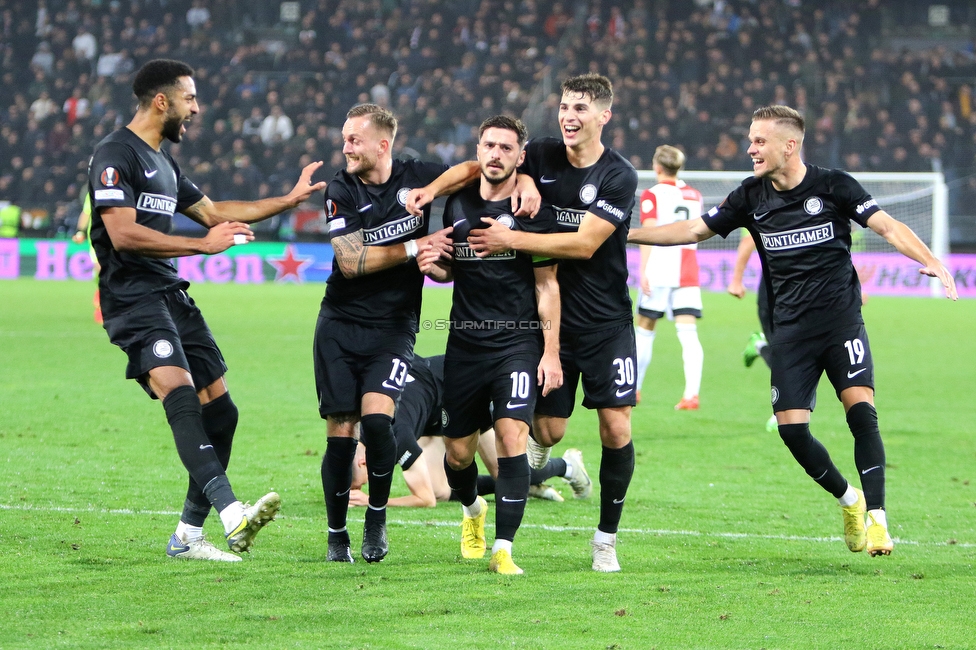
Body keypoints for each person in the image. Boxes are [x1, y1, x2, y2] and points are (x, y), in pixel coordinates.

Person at [627, 104, 958, 558]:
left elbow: (886, 225)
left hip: (842, 323)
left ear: (790, 144)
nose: (750, 149)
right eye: (750, 139)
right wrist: (624, 234)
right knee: (792, 432)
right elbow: (693, 229)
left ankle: (878, 518)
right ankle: (850, 500)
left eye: (759, 141)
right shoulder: (749, 196)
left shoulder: (834, 185)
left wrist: (931, 260)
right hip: (791, 333)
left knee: (861, 411)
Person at [87, 59, 326, 561]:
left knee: (222, 410)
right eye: (189, 99)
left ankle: (187, 538)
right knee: (178, 389)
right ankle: (229, 511)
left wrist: (288, 200)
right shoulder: (115, 154)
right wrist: (202, 246)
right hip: (132, 298)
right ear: (161, 101)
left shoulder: (164, 164)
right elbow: (122, 233)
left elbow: (216, 213)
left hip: (172, 294)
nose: (195, 109)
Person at [421, 74, 639, 573]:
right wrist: (435, 190)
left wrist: (512, 239)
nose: (569, 115)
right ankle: (547, 469)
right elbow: (482, 166)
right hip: (541, 323)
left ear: (603, 115)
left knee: (616, 426)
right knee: (549, 428)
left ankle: (604, 539)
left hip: (604, 321)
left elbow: (584, 245)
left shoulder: (618, 176)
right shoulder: (538, 154)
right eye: (564, 106)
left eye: (581, 108)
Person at [417, 115, 564, 575]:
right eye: (488, 146)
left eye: (505, 147)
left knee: (511, 437)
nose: (495, 154)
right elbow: (455, 269)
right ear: (477, 151)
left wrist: (551, 351)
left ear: (521, 157)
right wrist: (432, 266)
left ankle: (504, 548)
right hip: (464, 343)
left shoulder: (534, 211)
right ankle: (472, 511)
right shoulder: (456, 203)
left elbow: (547, 286)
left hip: (516, 342)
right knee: (458, 455)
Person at [316, 103, 455, 565]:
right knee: (341, 432)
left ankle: (376, 519)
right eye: (344, 139)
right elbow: (350, 262)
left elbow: (474, 169)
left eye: (354, 140)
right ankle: (337, 536)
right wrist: (416, 245)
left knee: (378, 422)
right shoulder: (342, 187)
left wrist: (435, 193)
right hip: (339, 325)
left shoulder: (419, 174)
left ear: (383, 143)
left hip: (394, 327)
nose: (345, 147)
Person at [348, 355, 591, 508]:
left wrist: (373, 501)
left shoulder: (395, 435)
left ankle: (567, 466)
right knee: (442, 491)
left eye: (360, 484)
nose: (366, 484)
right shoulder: (362, 425)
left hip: (459, 394)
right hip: (431, 412)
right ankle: (521, 487)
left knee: (506, 471)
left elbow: (424, 500)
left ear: (361, 462)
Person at [633, 145, 705, 410]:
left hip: (660, 267)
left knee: (644, 330)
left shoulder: (651, 194)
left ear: (657, 167)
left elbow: (649, 233)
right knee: (688, 333)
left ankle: (635, 388)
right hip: (687, 268)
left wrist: (642, 270)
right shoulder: (694, 195)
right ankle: (691, 395)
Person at [727, 229, 779, 434]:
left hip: (807, 291)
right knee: (786, 357)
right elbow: (749, 241)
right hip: (773, 290)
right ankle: (783, 412)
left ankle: (759, 345)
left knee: (806, 355)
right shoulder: (764, 202)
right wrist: (736, 279)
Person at [72, 190, 102, 324]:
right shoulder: (94, 191)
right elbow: (86, 212)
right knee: (100, 268)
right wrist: (80, 231)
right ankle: (101, 298)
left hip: (117, 235)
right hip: (98, 238)